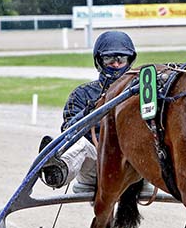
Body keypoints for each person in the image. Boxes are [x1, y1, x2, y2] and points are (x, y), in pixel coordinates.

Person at [39, 31, 137, 192]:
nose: (116, 65)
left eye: (121, 59)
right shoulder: (82, 94)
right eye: (110, 59)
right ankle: (57, 171)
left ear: (130, 60)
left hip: (134, 169)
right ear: (99, 61)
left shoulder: (139, 93)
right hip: (96, 166)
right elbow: (67, 132)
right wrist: (90, 111)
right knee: (80, 144)